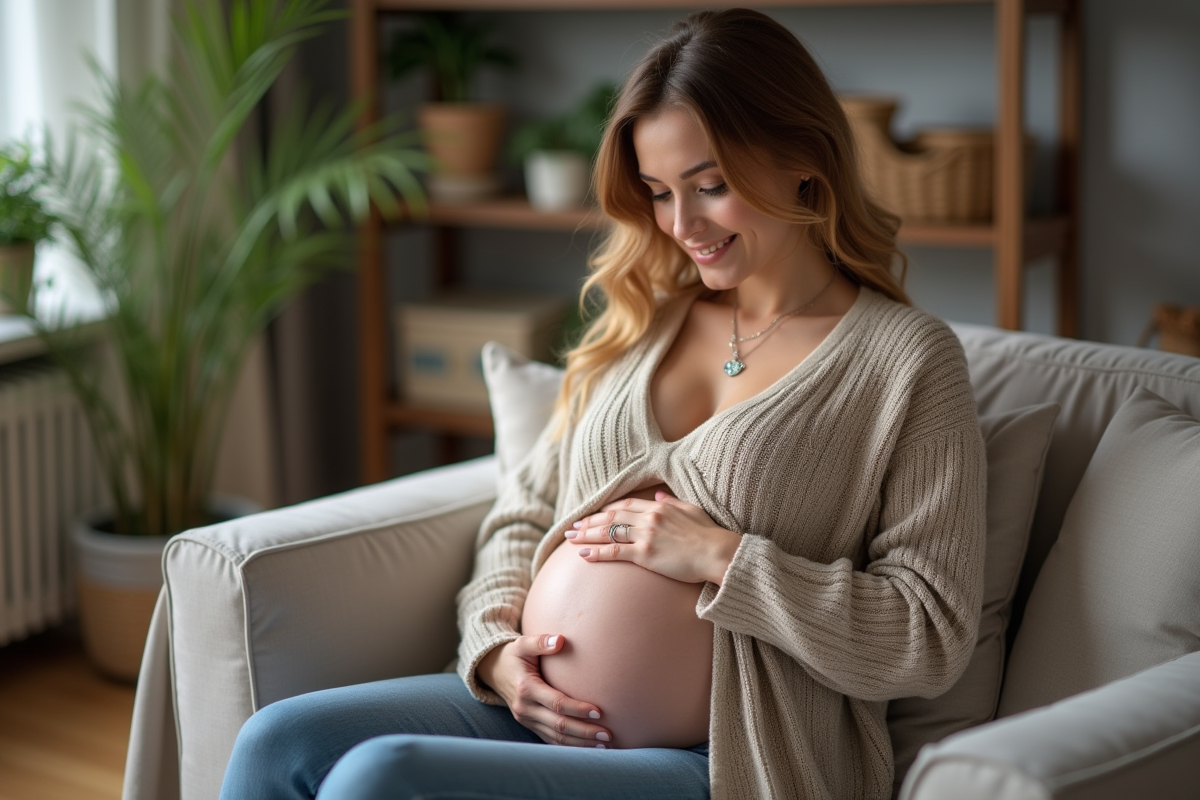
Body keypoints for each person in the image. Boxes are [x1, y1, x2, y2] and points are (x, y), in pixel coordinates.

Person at [218, 8, 986, 799]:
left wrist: (721, 558)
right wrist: (494, 651)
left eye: (710, 186)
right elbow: (524, 515)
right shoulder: (643, 315)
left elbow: (928, 635)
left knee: (383, 778)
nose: (682, 225)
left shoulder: (907, 361)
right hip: (534, 711)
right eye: (658, 193)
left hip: (725, 758)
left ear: (803, 159)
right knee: (280, 741)